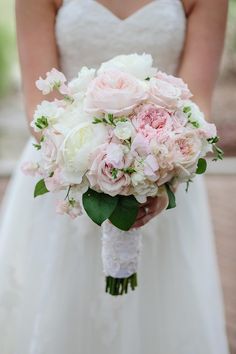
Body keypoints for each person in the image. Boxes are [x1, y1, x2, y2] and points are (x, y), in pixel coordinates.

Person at [0, 0, 229, 353]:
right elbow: (39, 103)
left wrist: (160, 180)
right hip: (64, 170)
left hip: (163, 173)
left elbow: (199, 103)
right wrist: (92, 166)